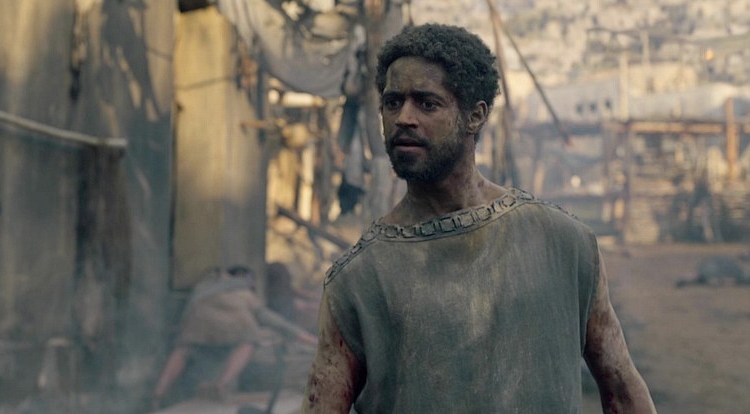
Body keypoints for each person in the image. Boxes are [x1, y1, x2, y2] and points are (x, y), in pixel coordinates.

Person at [302, 24, 656, 413]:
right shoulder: (358, 280)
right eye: (392, 102)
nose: (403, 117)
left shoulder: (564, 244)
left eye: (427, 103)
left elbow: (623, 391)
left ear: (475, 116)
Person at [152, 265, 317, 408]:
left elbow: (189, 309)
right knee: (248, 343)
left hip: (197, 319)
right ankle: (221, 385)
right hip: (235, 325)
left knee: (184, 349)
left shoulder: (204, 285)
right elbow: (279, 324)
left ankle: (157, 394)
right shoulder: (245, 293)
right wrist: (312, 341)